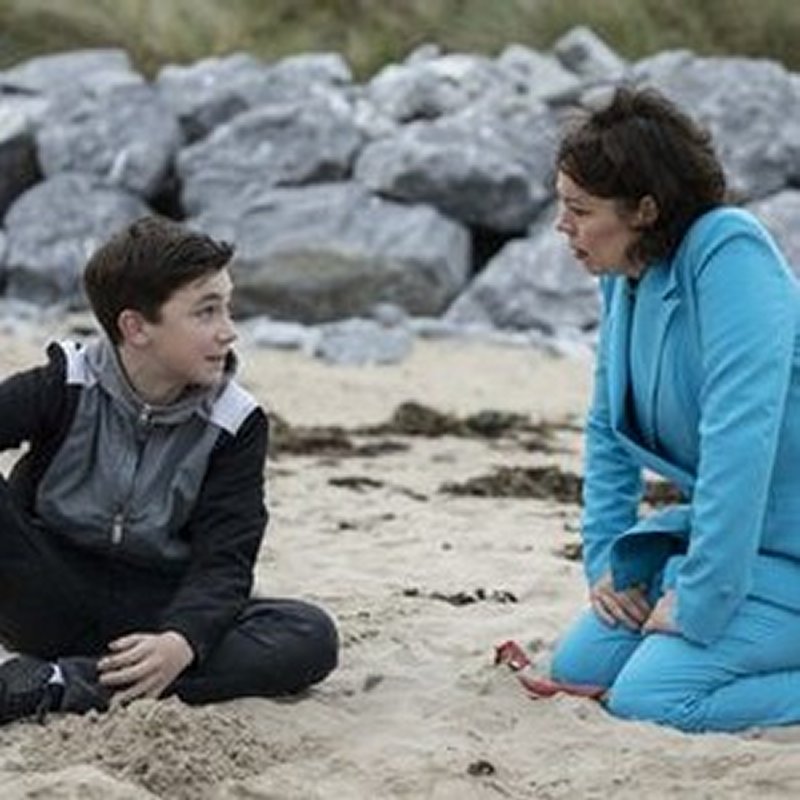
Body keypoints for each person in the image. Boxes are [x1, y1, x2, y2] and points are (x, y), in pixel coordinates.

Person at [0, 215, 338, 724]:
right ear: (136, 328)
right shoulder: (64, 384)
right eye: (206, 311)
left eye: (227, 307)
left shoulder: (235, 422)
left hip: (153, 615)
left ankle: (55, 683)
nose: (229, 331)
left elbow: (225, 560)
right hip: (43, 592)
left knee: (309, 635)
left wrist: (182, 640)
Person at [548, 85, 800, 733]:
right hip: (741, 547)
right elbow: (606, 429)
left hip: (783, 550)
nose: (561, 226)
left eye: (579, 210)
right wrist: (607, 566)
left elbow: (739, 442)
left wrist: (702, 599)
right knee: (580, 664)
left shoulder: (730, 251)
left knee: (650, 698)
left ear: (645, 210)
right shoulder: (626, 277)